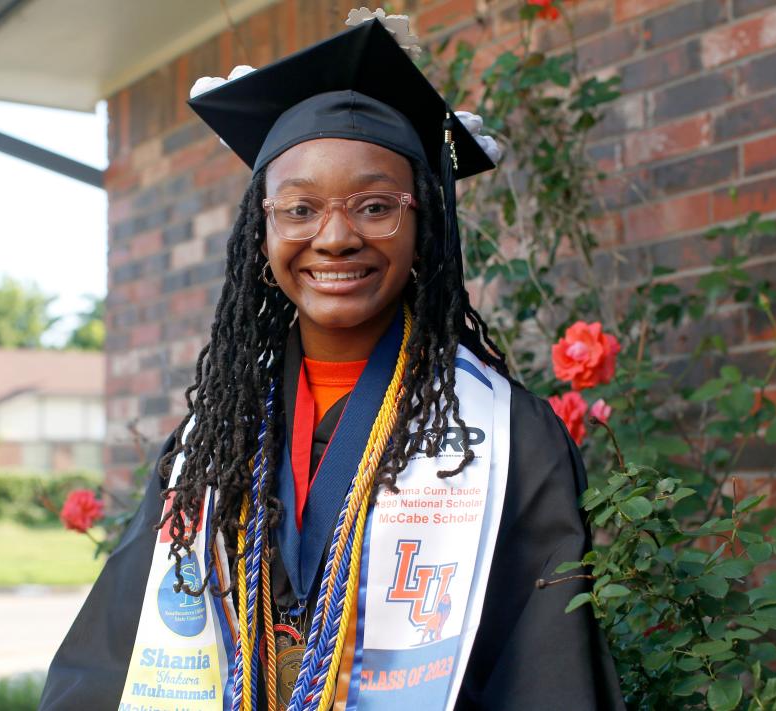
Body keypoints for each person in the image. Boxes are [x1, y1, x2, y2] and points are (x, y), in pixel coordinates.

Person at [39, 11, 624, 711]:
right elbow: (114, 659)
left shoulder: (506, 438)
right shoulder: (212, 443)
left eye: (376, 205)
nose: (336, 236)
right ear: (262, 231)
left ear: (423, 225)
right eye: (299, 208)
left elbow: (545, 676)